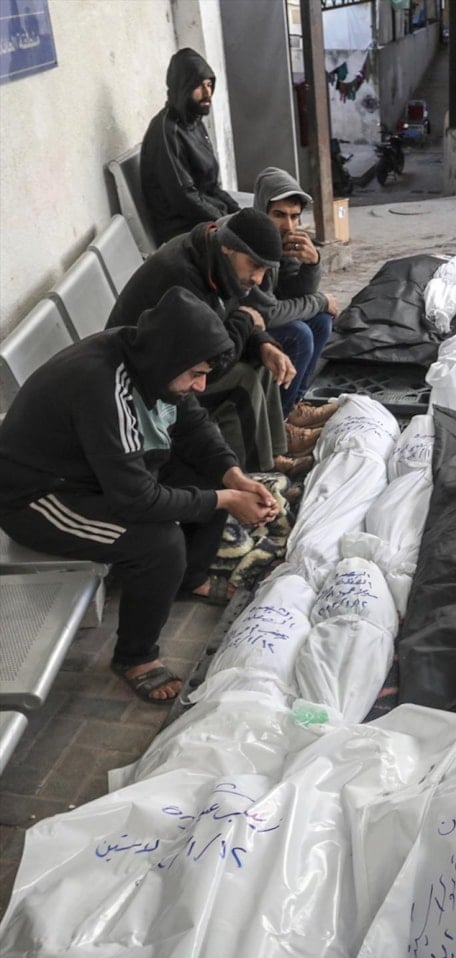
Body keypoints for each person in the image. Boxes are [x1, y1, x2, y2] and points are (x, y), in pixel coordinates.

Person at [0, 287, 280, 704]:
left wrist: (234, 478)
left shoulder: (155, 362)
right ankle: (136, 657)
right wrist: (225, 500)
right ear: (171, 359)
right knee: (158, 544)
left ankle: (190, 578)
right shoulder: (99, 383)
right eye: (196, 374)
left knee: (211, 478)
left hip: (96, 473)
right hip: (39, 498)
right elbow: (136, 500)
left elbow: (195, 428)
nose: (201, 385)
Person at [107, 208, 321, 478]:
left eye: (265, 270)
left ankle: (274, 455)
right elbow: (214, 360)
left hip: (177, 359)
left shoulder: (213, 258)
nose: (258, 279)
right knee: (243, 381)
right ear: (229, 248)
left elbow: (229, 317)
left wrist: (263, 343)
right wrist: (247, 321)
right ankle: (254, 476)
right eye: (254, 265)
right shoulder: (183, 277)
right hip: (140, 378)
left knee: (263, 364)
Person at [252, 167, 341, 428]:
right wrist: (321, 300)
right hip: (238, 325)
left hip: (261, 317)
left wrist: (312, 264)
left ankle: (292, 407)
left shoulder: (284, 239)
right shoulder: (251, 238)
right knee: (299, 333)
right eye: (279, 215)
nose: (288, 226)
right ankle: (278, 426)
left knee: (321, 321)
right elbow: (267, 313)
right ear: (262, 210)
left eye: (294, 217)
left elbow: (295, 293)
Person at [141, 47, 241, 245]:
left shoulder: (193, 121)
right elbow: (185, 198)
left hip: (206, 216)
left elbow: (211, 186)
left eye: (209, 84)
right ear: (183, 88)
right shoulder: (166, 132)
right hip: (183, 230)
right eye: (199, 86)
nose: (207, 92)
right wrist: (227, 224)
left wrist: (237, 213)